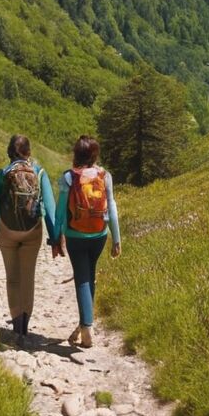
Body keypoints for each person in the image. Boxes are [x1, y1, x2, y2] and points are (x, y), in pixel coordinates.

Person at [0, 135, 57, 342]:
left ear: (9, 152)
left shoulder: (2, 174)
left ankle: (16, 323)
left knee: (13, 278)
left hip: (6, 231)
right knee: (28, 277)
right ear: (29, 152)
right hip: (32, 231)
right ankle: (25, 325)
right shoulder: (39, 173)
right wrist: (54, 240)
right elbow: (50, 210)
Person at [54, 135, 120, 348]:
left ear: (76, 154)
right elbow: (111, 207)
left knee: (82, 278)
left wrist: (57, 236)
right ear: (94, 155)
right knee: (89, 276)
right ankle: (85, 324)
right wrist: (116, 239)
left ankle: (87, 327)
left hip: (75, 235)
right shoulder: (104, 176)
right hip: (99, 235)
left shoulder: (68, 177)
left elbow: (60, 211)